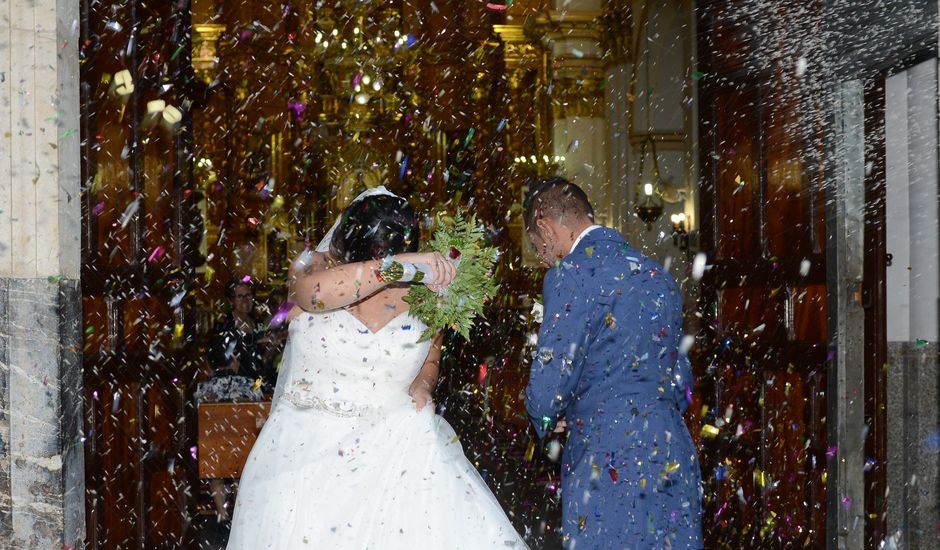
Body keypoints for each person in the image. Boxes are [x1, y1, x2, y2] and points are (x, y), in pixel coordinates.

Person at [226, 187, 527, 549]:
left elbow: (432, 350)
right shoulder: (313, 273)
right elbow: (316, 296)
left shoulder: (430, 293)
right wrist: (407, 265)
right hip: (305, 453)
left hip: (396, 449)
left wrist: (425, 383)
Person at [523, 177, 702, 549]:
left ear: (543, 224)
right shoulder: (658, 275)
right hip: (670, 454)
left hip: (607, 464)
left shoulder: (570, 275)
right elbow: (681, 381)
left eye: (536, 244)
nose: (541, 256)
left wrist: (551, 416)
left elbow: (546, 393)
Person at [195, 280, 285, 522]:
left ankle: (242, 510)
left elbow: (260, 368)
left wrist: (270, 350)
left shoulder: (258, 326)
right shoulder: (224, 325)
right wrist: (228, 362)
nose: (245, 301)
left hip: (251, 387)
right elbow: (215, 359)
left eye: (248, 296)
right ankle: (223, 513)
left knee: (244, 452)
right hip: (227, 390)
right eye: (240, 296)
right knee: (218, 451)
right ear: (231, 300)